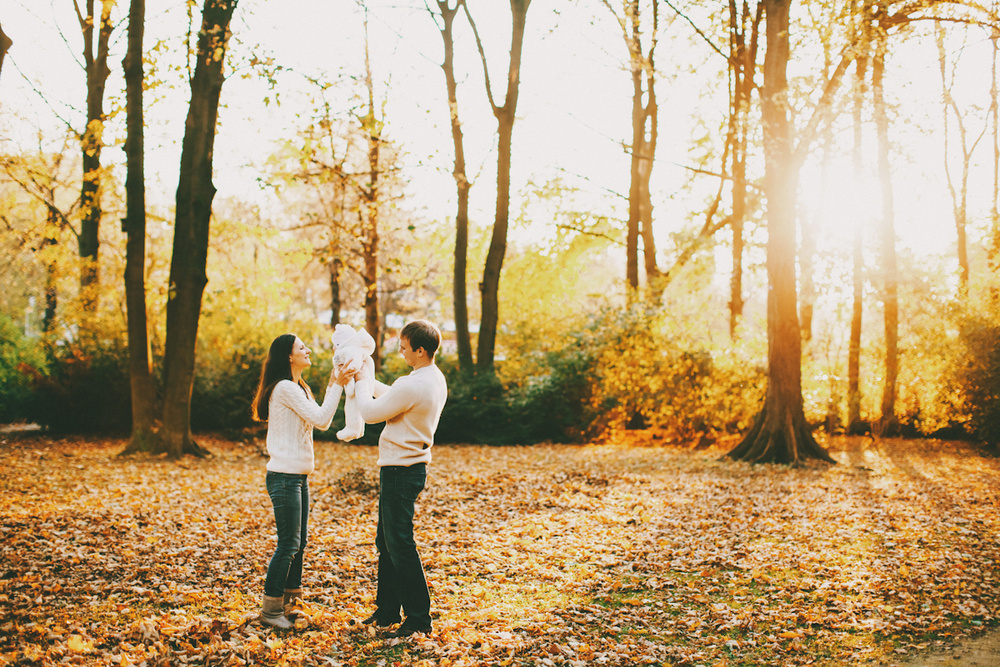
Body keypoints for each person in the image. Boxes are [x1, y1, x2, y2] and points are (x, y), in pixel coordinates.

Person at [353, 320, 448, 638]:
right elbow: (394, 396)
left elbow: (369, 411)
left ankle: (419, 616)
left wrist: (362, 381)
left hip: (400, 471)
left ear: (421, 350)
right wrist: (368, 377)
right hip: (408, 468)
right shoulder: (432, 378)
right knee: (387, 542)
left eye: (405, 348)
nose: (401, 352)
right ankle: (388, 610)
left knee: (400, 544)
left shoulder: (414, 384)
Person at [251, 333, 353, 629]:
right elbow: (322, 419)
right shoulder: (284, 388)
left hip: (298, 476)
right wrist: (336, 384)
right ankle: (270, 611)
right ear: (288, 356)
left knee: (300, 542)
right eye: (301, 347)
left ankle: (290, 601)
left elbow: (317, 415)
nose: (307, 350)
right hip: (284, 477)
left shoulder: (300, 387)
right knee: (288, 543)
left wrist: (336, 382)